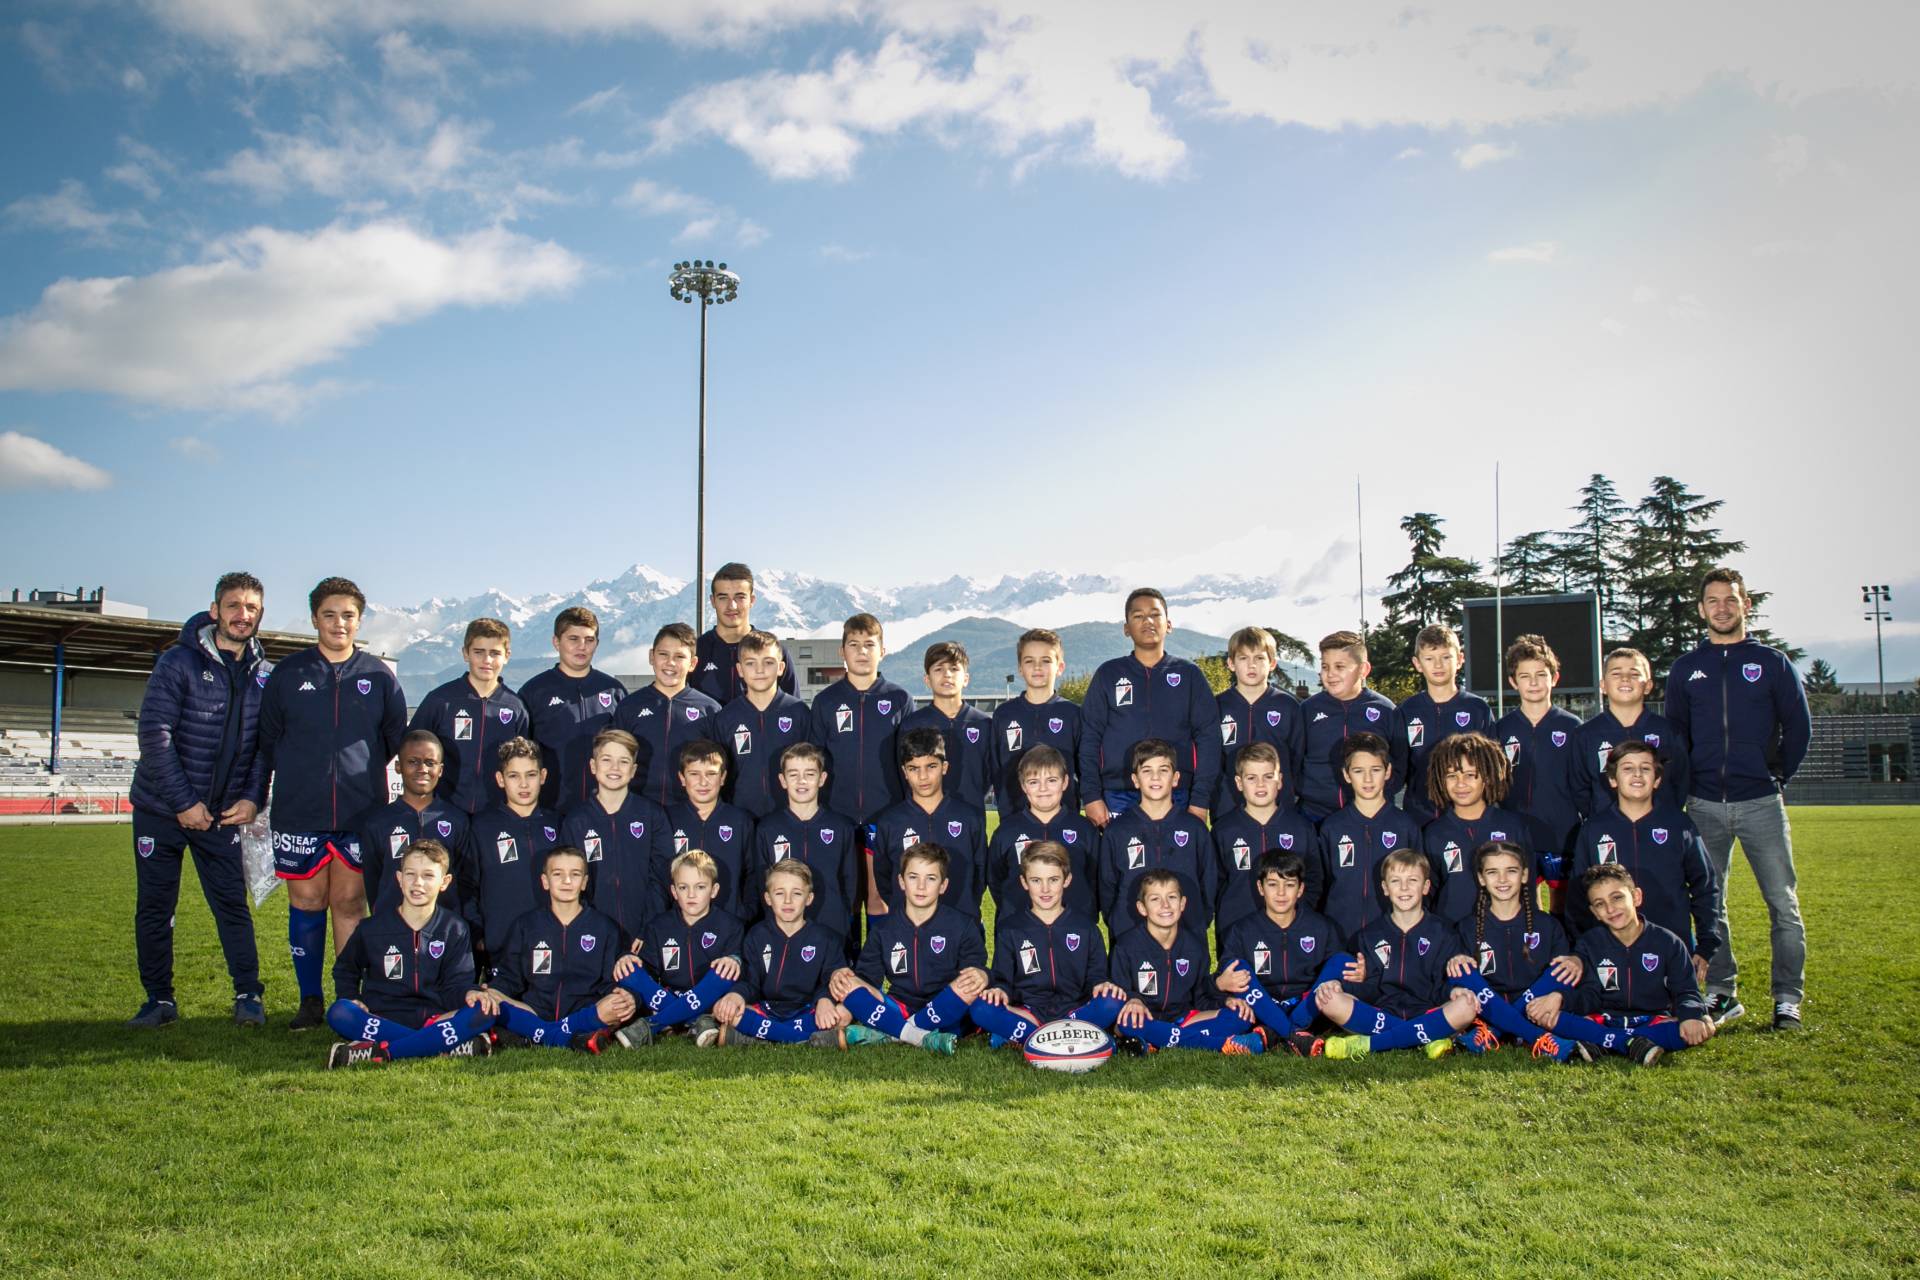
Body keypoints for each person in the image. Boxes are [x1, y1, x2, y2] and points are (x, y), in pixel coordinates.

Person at [1663, 566, 1811, 1031]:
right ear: (1701, 609)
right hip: (1704, 804)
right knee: (1711, 903)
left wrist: (1776, 774)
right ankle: (1722, 991)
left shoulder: (1772, 663)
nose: (1722, 608)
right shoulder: (1686, 669)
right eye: (1713, 600)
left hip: (1761, 802)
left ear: (1746, 604)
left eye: (1730, 599)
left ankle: (1787, 998)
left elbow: (1799, 726)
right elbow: (1676, 737)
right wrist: (1688, 788)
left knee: (1782, 903)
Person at [258, 576, 407, 1031]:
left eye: (348, 615)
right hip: (299, 811)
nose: (339, 623)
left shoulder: (379, 676)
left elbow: (392, 741)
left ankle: (348, 997)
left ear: (359, 621)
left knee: (349, 903)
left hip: (361, 813)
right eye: (329, 615)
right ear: (314, 619)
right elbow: (268, 740)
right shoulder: (288, 674)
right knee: (307, 902)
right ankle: (309, 999)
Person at [128, 571, 272, 1029]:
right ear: (215, 611)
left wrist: (251, 798)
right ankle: (159, 1000)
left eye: (251, 608)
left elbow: (263, 747)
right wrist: (183, 803)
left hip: (224, 814)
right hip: (162, 810)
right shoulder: (178, 662)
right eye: (234, 605)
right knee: (156, 907)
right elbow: (155, 734)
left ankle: (248, 994)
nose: (242, 615)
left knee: (232, 905)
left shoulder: (263, 674)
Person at [323, 840, 495, 1067]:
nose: (418, 883)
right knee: (340, 1012)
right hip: (381, 1017)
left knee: (485, 1011)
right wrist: (351, 996)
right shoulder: (372, 928)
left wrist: (469, 993)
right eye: (410, 874)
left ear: (444, 882)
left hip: (436, 1017)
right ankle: (437, 1044)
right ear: (399, 878)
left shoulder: (454, 928)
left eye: (428, 875)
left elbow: (456, 983)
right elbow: (345, 969)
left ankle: (383, 1051)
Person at [1567, 741, 1720, 980]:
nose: (1637, 774)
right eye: (1628, 768)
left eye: (1646, 768)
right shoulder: (1593, 829)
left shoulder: (1679, 825)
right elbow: (1577, 895)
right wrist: (1583, 946)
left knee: (1675, 1003)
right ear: (1613, 779)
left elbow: (1705, 886)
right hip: (1610, 951)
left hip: (1671, 947)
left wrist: (1706, 944)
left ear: (1657, 780)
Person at [1316, 848, 1482, 1060]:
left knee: (1466, 1005)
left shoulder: (1444, 933)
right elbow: (1370, 989)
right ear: (1385, 888)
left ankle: (1369, 1044)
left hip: (1429, 1011)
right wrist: (1341, 986)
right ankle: (1427, 1037)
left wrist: (1453, 991)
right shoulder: (1369, 935)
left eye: (1412, 880)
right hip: (1382, 1014)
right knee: (1329, 999)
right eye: (1396, 881)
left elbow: (1441, 986)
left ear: (1426, 886)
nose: (1404, 888)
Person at [830, 843, 989, 1056]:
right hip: (900, 1007)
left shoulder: (963, 925)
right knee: (847, 983)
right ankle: (919, 1037)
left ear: (943, 885)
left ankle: (894, 1033)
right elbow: (867, 977)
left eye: (931, 878)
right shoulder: (884, 929)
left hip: (947, 1009)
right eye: (913, 877)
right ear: (901, 881)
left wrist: (981, 974)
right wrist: (844, 978)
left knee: (970, 983)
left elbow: (974, 970)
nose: (921, 886)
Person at [1079, 589, 1220, 827]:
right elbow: (1089, 738)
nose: (1148, 621)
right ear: (1126, 628)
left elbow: (1209, 738)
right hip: (1119, 793)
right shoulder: (1108, 674)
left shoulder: (1189, 674)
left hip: (1178, 793)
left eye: (1155, 614)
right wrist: (1091, 796)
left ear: (1169, 625)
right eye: (1138, 616)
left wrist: (1200, 800)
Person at [476, 846, 637, 1054]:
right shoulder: (526, 925)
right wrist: (494, 990)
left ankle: (532, 1034)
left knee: (617, 1003)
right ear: (545, 881)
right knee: (489, 998)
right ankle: (571, 1037)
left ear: (584, 882)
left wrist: (623, 997)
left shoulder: (604, 927)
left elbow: (608, 982)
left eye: (575, 874)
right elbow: (510, 977)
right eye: (558, 874)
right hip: (534, 1011)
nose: (566, 881)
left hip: (585, 1010)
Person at [966, 842, 1127, 1049]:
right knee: (981, 1008)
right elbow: (1003, 978)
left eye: (1053, 880)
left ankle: (1027, 1037)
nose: (1045, 889)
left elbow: (1097, 976)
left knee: (1112, 1001)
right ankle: (1074, 1035)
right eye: (1036, 880)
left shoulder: (1086, 927)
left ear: (1067, 880)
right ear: (1024, 882)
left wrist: (1101, 985)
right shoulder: (1010, 928)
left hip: (1074, 1009)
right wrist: (1000, 991)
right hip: (1028, 1011)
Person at [1439, 841, 1589, 1062]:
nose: (1502, 879)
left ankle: (1494, 1032)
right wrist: (1456, 970)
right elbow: (1452, 985)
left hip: (1536, 1009)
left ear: (1525, 875)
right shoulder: (1467, 928)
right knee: (1461, 969)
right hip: (1486, 1009)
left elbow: (1564, 980)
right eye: (1492, 872)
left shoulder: (1548, 926)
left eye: (1511, 871)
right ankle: (1538, 1037)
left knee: (1562, 968)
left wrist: (1561, 991)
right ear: (1481, 878)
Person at [1564, 864, 1716, 1064]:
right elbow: (1588, 993)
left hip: (1652, 1020)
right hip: (1605, 1019)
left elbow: (1686, 990)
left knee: (1699, 1025)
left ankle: (1605, 1042)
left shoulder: (1668, 942)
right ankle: (1632, 1043)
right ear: (1594, 912)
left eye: (1617, 898)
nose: (1610, 909)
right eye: (1600, 904)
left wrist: (1691, 1015)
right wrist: (1565, 1002)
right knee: (1561, 1019)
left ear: (1636, 897)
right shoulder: (1589, 944)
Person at [1213, 850, 1356, 1056]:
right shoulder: (1242, 930)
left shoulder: (1322, 927)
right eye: (1273, 884)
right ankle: (1294, 1035)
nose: (1281, 893)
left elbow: (1340, 975)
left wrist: (1341, 980)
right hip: (1262, 1005)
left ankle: (1276, 1030)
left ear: (1300, 889)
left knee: (1342, 961)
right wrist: (1223, 981)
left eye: (1289, 885)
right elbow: (1226, 976)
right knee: (1238, 969)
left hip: (1307, 1006)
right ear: (1260, 888)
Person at [1109, 872, 1260, 1054]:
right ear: (1142, 908)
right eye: (1155, 899)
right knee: (1128, 1023)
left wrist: (1225, 1001)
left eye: (1172, 897)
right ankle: (1220, 1045)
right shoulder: (1126, 946)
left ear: (1182, 904)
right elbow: (1118, 990)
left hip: (1183, 1018)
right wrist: (1133, 1000)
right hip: (1143, 1017)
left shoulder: (1194, 947)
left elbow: (1200, 997)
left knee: (1242, 1016)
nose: (1165, 905)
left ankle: (1158, 1039)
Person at [712, 860, 853, 1047]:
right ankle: (807, 1039)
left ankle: (760, 1037)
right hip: (767, 1009)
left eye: (797, 893)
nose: (788, 900)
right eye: (779, 893)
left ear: (809, 898)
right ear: (768, 898)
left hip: (809, 1009)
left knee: (843, 1013)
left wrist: (825, 999)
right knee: (726, 1009)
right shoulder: (756, 935)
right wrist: (736, 995)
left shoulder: (826, 938)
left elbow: (832, 978)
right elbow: (749, 981)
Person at [1491, 634, 1585, 911]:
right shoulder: (1501, 729)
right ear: (1513, 682)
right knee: (1526, 909)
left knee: (1564, 909)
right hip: (1517, 833)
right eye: (1525, 676)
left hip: (1562, 833)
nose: (1533, 682)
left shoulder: (1572, 726)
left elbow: (1582, 782)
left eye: (1541, 675)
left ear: (1554, 678)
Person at [617, 849, 745, 1047]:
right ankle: (696, 1021)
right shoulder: (658, 926)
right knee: (627, 969)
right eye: (683, 887)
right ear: (674, 891)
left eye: (700, 887)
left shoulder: (731, 925)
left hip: (711, 1001)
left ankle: (652, 1024)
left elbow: (741, 974)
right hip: (670, 995)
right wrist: (628, 958)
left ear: (714, 890)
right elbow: (648, 970)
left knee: (726, 969)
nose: (691, 894)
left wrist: (734, 960)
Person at [460, 737, 564, 977]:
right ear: (500, 779)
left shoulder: (558, 824)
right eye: (514, 776)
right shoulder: (482, 826)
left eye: (531, 775)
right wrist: (479, 935)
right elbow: (467, 885)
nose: (524, 784)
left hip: (553, 943)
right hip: (500, 947)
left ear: (543, 776)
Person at [747, 743, 860, 962]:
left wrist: (840, 913)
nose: (801, 781)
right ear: (782, 780)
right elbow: (761, 880)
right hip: (784, 925)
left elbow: (849, 881)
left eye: (809, 774)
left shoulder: (841, 827)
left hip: (831, 922)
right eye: (793, 774)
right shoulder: (768, 828)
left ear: (822, 778)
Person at [1096, 739, 1216, 944]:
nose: (1155, 777)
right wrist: (1119, 923)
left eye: (1163, 770)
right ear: (1135, 780)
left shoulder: (1194, 829)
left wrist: (1196, 921)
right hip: (1130, 936)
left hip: (1186, 937)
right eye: (1147, 771)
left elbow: (1208, 882)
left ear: (1176, 778)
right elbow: (1107, 887)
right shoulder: (1117, 831)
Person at [407, 618, 529, 815]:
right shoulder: (441, 700)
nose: (487, 660)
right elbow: (410, 749)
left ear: (507, 656)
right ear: (465, 653)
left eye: (495, 653)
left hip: (497, 813)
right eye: (479, 652)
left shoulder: (515, 707)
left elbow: (524, 763)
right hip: (442, 811)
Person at [558, 728, 671, 938]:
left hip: (644, 934)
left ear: (633, 770)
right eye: (607, 760)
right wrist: (590, 928)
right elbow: (570, 882)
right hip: (592, 934)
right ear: (593, 766)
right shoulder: (576, 821)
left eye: (623, 761)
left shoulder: (652, 815)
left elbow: (662, 876)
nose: (615, 768)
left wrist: (649, 929)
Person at [869, 728, 989, 920]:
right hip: (909, 926)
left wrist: (964, 905)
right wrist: (902, 906)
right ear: (904, 772)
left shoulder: (969, 818)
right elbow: (884, 876)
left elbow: (980, 874)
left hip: (961, 922)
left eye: (931, 766)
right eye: (913, 768)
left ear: (944, 767)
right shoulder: (890, 821)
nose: (923, 776)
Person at [806, 612, 913, 825]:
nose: (862, 651)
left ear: (882, 652)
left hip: (890, 813)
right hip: (834, 813)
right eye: (853, 644)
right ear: (842, 652)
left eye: (869, 644)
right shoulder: (825, 701)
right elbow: (814, 759)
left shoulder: (900, 699)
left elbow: (911, 759)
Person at [1316, 733, 1422, 948]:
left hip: (1393, 937)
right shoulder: (1332, 827)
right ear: (1346, 775)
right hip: (1340, 936)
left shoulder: (1405, 826)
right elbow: (1320, 882)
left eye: (1375, 770)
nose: (1367, 779)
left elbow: (1420, 883)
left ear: (1388, 772)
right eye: (1358, 771)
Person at [519, 606, 628, 811]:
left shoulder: (614, 691)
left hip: (605, 807)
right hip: (551, 806)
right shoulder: (534, 691)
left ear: (597, 643)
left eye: (589, 640)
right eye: (573, 639)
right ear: (556, 642)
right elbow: (521, 755)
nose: (582, 647)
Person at [1209, 743, 1322, 939]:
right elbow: (1214, 883)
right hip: (1236, 929)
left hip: (1289, 931)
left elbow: (1314, 878)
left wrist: (1299, 912)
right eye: (1251, 778)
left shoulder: (1301, 828)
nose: (1260, 785)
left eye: (1268, 777)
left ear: (1280, 781)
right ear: (1239, 783)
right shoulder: (1224, 830)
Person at [1297, 631, 1406, 821]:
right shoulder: (1307, 710)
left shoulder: (1386, 710)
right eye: (1325, 666)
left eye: (1339, 667)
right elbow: (1294, 758)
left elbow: (1400, 762)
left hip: (1371, 814)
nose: (1330, 674)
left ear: (1363, 670)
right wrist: (1307, 790)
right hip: (1314, 814)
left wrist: (1377, 795)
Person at [1420, 733, 1528, 925]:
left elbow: (1528, 888)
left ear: (1487, 776)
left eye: (1470, 775)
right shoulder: (1434, 833)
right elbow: (1428, 894)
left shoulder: (1512, 826)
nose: (1460, 784)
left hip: (1502, 932)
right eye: (1452, 776)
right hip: (1452, 932)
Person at [360, 730, 471, 915]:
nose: (422, 769)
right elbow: (373, 882)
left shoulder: (457, 820)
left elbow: (466, 880)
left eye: (430, 763)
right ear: (398, 766)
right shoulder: (378, 822)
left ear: (441, 770)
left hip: (443, 927)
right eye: (413, 761)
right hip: (392, 925)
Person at [613, 623, 721, 807]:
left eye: (679, 656)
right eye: (663, 654)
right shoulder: (629, 706)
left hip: (691, 811)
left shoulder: (710, 710)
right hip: (638, 808)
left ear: (693, 663)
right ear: (651, 656)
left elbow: (718, 766)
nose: (670, 662)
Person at [985, 745, 1099, 919]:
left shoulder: (1084, 829)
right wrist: (1013, 910)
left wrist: (1083, 912)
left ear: (1065, 782)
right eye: (1034, 782)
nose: (1043, 789)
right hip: (1020, 927)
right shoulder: (1006, 831)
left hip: (1074, 925)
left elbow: (1096, 878)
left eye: (1051, 780)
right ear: (1023, 786)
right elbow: (995, 880)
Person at [1398, 624, 1494, 825]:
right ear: (1417, 663)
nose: (1438, 665)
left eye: (1446, 657)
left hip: (1467, 816)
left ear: (1459, 659)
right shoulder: (1407, 710)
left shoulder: (1478, 709)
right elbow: (1399, 765)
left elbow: (1490, 765)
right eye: (1429, 659)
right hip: (1419, 815)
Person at [1574, 648, 1688, 816]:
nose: (1625, 678)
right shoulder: (1585, 735)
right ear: (1603, 685)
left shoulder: (1668, 731)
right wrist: (1600, 819)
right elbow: (1579, 788)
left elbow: (1681, 781)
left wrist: (1664, 816)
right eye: (1616, 673)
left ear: (1648, 686)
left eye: (1634, 674)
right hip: (1606, 827)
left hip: (1659, 825)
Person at [710, 629, 808, 819]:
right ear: (739, 670)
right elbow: (719, 773)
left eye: (768, 662)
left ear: (781, 667)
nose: (760, 670)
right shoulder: (726, 717)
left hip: (790, 817)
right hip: (740, 817)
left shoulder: (799, 712)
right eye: (750, 663)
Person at [1212, 626, 1304, 817]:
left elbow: (1298, 757)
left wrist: (1290, 790)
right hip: (1228, 805)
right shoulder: (1217, 706)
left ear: (1272, 663)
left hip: (1279, 806)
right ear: (1231, 663)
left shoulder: (1288, 705)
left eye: (1259, 658)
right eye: (1243, 658)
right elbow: (1210, 758)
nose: (1251, 665)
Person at [989, 628, 1080, 819]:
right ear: (1020, 668)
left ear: (1060, 667)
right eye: (1029, 661)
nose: (1037, 667)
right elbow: (996, 769)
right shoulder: (1004, 714)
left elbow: (1085, 769)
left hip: (1064, 820)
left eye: (1046, 660)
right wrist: (1005, 810)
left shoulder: (1072, 713)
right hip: (1015, 819)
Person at [663, 740, 756, 922]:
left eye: (711, 774)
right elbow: (658, 874)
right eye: (694, 774)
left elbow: (753, 874)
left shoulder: (740, 821)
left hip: (730, 924)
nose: (703, 782)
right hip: (679, 925)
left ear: (723, 777)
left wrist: (745, 912)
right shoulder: (667, 819)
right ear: (682, 778)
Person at [899, 642, 993, 821]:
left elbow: (989, 777)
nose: (947, 674)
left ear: (966, 679)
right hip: (923, 820)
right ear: (927, 680)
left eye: (954, 669)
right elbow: (903, 773)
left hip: (971, 819)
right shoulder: (912, 724)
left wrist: (971, 797)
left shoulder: (984, 724)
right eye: (939, 669)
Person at [693, 563, 798, 704]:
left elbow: (793, 709)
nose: (732, 606)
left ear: (752, 600)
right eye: (723, 597)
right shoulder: (696, 651)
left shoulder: (774, 651)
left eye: (740, 597)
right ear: (713, 601)